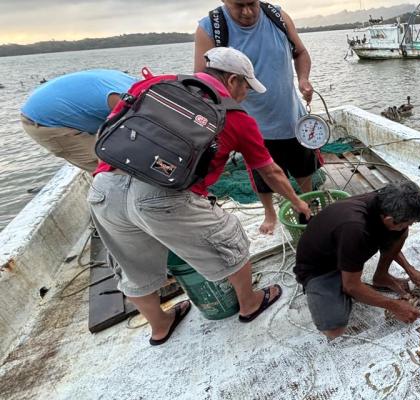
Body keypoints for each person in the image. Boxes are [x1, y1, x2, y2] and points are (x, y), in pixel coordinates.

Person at [88, 47, 312, 346]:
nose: (246, 94)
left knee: (132, 267)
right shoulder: (235, 116)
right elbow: (270, 171)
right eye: (246, 86)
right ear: (232, 80)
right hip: (161, 196)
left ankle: (160, 326)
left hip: (104, 187)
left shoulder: (154, 84)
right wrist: (297, 202)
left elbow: (111, 128)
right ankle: (250, 303)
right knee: (230, 236)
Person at [194, 1, 318, 235]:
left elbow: (300, 52)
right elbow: (203, 82)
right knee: (262, 173)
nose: (248, 12)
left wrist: (303, 79)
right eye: (239, 6)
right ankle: (270, 213)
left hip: (291, 116)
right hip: (251, 125)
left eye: (252, 3)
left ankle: (308, 203)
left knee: (304, 166)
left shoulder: (277, 16)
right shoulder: (211, 27)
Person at [293, 181, 420, 339]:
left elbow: (393, 238)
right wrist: (394, 305)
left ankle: (381, 276)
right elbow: (351, 286)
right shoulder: (356, 229)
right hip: (319, 268)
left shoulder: (383, 201)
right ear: (389, 220)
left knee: (400, 233)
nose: (409, 226)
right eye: (408, 223)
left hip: (345, 250)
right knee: (335, 328)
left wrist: (411, 271)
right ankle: (335, 287)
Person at [20, 69, 137, 172]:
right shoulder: (124, 102)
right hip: (45, 121)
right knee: (112, 169)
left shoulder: (135, 84)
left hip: (68, 104)